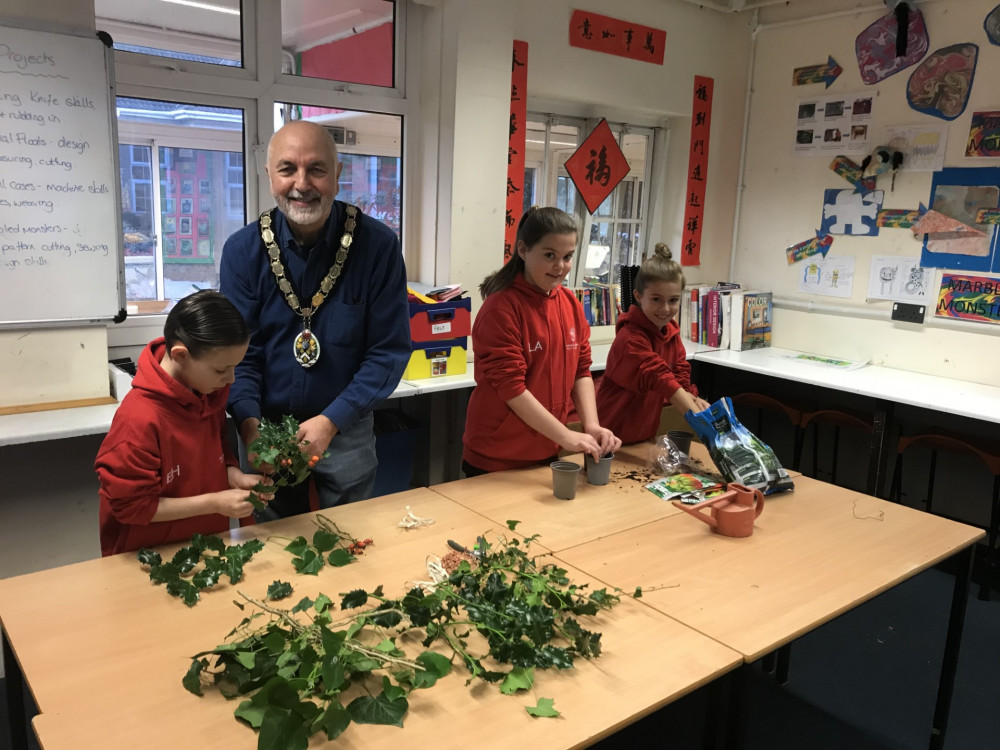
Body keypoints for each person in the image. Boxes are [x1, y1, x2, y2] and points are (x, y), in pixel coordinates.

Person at [220, 120, 410, 519]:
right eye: (287, 168)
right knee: (270, 549)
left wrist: (330, 421)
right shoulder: (242, 252)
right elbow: (240, 357)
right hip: (263, 427)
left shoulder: (377, 247)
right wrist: (249, 426)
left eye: (317, 169)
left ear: (337, 175)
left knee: (351, 539)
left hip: (345, 426)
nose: (301, 184)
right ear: (269, 174)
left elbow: (388, 353)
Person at [95, 290, 267, 556]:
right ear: (180, 355)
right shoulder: (138, 420)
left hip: (206, 545)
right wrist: (214, 502)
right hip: (148, 556)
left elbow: (216, 450)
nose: (231, 379)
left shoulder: (207, 391)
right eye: (221, 370)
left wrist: (233, 476)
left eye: (235, 367)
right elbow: (132, 507)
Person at [462, 206, 621, 475]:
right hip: (496, 458)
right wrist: (566, 436)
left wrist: (590, 426)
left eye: (567, 256)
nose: (560, 267)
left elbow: (581, 370)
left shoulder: (570, 303)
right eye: (550, 255)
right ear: (523, 250)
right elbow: (511, 388)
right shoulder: (501, 308)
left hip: (546, 449)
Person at [597, 243, 711, 445]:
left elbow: (679, 374)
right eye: (657, 299)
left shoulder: (670, 332)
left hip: (644, 435)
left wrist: (695, 399)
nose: (665, 309)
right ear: (638, 296)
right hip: (609, 436)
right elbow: (660, 378)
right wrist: (708, 427)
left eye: (673, 300)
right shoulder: (630, 339)